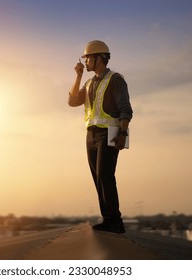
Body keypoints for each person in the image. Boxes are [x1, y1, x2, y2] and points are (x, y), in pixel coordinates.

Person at [68, 40, 133, 234]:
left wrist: (122, 133)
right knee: (98, 177)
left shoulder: (115, 79)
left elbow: (126, 109)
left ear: (99, 58)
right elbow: (72, 102)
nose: (85, 62)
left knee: (106, 175)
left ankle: (115, 221)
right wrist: (78, 76)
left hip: (110, 133)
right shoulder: (88, 83)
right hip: (91, 134)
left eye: (88, 58)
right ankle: (108, 219)